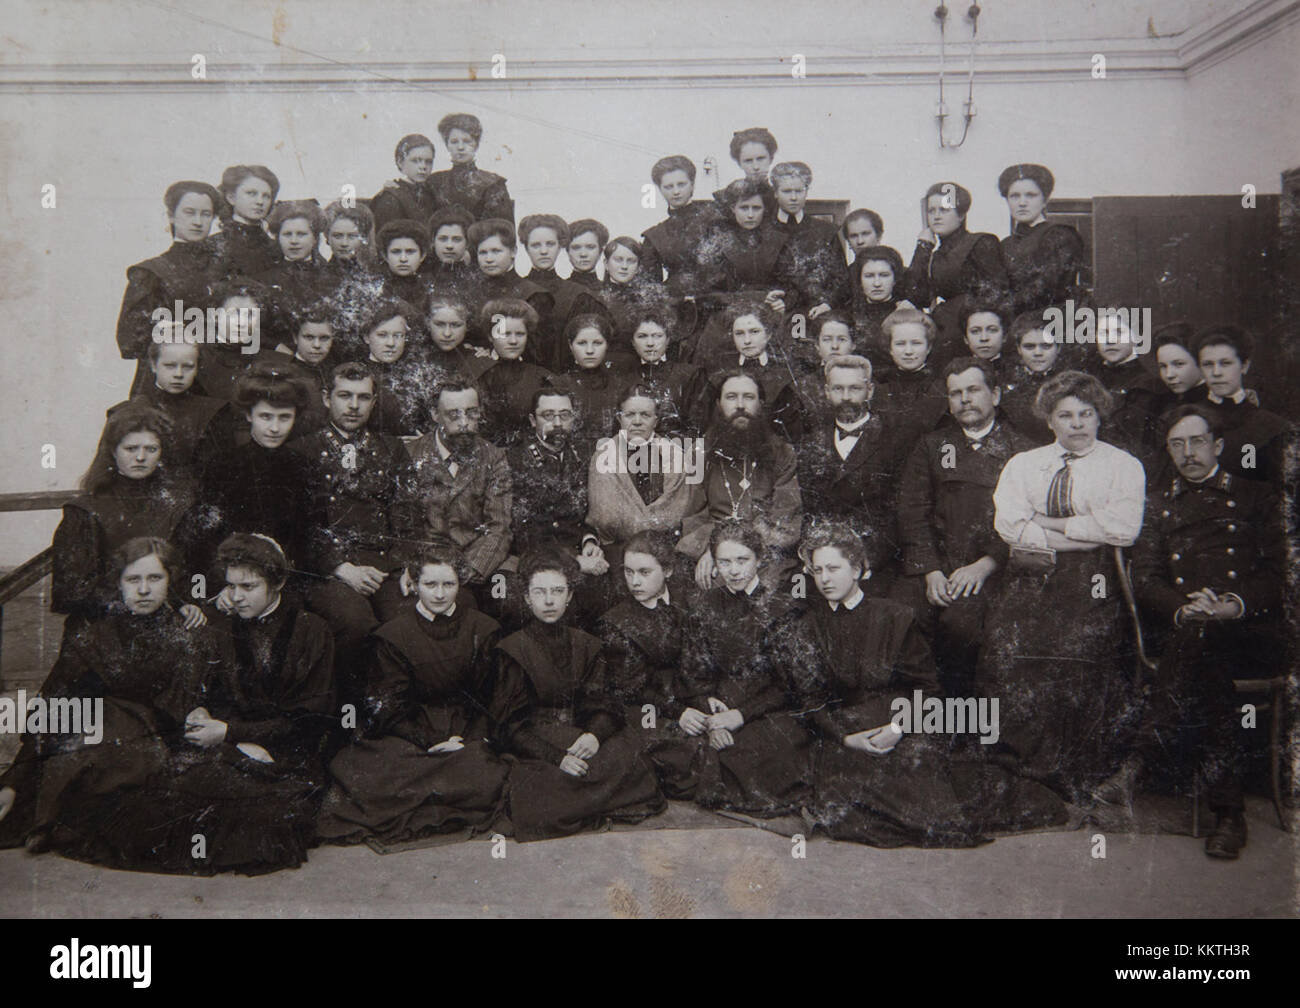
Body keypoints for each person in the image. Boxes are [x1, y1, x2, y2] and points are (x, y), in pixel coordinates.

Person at [776, 523, 1065, 847]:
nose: (825, 579)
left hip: (900, 724)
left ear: (857, 569)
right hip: (846, 736)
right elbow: (810, 700)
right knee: (844, 790)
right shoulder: (807, 626)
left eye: (833, 568)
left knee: (926, 789)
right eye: (817, 570)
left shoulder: (895, 617)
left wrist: (897, 729)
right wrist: (847, 738)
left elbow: (928, 691)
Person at [979, 370, 1145, 803]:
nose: (1077, 424)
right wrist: (1078, 531)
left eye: (1085, 414)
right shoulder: (1024, 464)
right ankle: (1020, 761)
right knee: (1008, 646)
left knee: (1077, 650)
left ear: (1099, 417)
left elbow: (1122, 530)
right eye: (1065, 415)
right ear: (1049, 421)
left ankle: (1072, 767)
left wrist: (1047, 525)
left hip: (1093, 576)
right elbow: (1010, 526)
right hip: (1030, 573)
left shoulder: (1122, 466)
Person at [0, 538, 217, 863]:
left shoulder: (187, 632)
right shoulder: (92, 631)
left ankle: (58, 821)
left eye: (155, 578)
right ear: (119, 583)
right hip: (88, 742)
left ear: (170, 581)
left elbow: (178, 709)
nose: (144, 589)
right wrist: (15, 779)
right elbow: (55, 704)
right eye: (133, 579)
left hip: (151, 747)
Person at [1130, 405, 1284, 858]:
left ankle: (1144, 749)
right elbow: (1146, 577)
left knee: (1204, 644)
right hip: (1192, 630)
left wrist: (1232, 604)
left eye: (1196, 442)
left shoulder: (1258, 497)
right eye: (1176, 445)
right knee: (1203, 648)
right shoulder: (1158, 504)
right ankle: (1229, 815)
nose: (1187, 453)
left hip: (1250, 631)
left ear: (1217, 446)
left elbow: (1280, 573)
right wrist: (1183, 609)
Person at [164, 533, 336, 875]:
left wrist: (233, 733)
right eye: (231, 586)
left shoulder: (310, 631)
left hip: (287, 751)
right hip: (230, 747)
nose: (237, 597)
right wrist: (199, 711)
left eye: (249, 586)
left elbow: (310, 719)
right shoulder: (220, 627)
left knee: (264, 815)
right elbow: (206, 693)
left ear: (278, 582)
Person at [316, 546, 509, 845]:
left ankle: (444, 784)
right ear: (414, 584)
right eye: (430, 585)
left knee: (487, 768)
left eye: (449, 584)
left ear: (460, 584)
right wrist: (431, 742)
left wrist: (468, 740)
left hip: (465, 730)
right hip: (411, 731)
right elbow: (390, 708)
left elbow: (490, 698)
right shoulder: (392, 635)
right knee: (364, 771)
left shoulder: (483, 629)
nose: (440, 594)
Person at [490, 550, 664, 841]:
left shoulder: (587, 644)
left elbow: (603, 702)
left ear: (569, 596)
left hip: (579, 733)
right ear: (527, 598)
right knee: (543, 782)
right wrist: (557, 758)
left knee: (628, 754)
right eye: (540, 592)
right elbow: (510, 726)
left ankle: (577, 799)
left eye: (557, 591)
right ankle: (584, 799)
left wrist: (594, 735)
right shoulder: (512, 649)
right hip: (539, 738)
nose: (549, 601)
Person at [892, 358, 1035, 695]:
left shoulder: (1022, 451)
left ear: (996, 395)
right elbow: (912, 511)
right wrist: (929, 571)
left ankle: (961, 716)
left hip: (993, 568)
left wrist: (986, 565)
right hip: (936, 564)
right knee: (901, 614)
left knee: (962, 624)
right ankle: (916, 710)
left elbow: (1027, 520)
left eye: (973, 390)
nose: (965, 399)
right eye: (956, 393)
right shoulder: (932, 445)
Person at [654, 520, 813, 815]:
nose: (734, 570)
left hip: (763, 710)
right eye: (724, 562)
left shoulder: (782, 608)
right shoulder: (702, 605)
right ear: (714, 563)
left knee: (768, 752)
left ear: (759, 559)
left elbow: (789, 685)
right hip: (716, 709)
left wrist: (739, 715)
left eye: (742, 560)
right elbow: (692, 672)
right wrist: (710, 714)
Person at [293, 362, 417, 706]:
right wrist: (340, 568)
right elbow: (300, 527)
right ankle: (349, 709)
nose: (353, 405)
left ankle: (393, 711)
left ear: (374, 402)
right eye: (344, 395)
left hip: (382, 565)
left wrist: (406, 566)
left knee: (407, 621)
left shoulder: (391, 450)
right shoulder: (301, 451)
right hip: (328, 570)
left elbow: (406, 514)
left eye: (363, 397)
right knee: (355, 622)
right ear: (325, 398)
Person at [53, 403, 198, 628]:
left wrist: (191, 602)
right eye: (131, 449)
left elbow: (195, 572)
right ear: (113, 451)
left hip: (165, 622)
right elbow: (69, 592)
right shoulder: (85, 510)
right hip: (104, 623)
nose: (140, 457)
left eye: (151, 449)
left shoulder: (179, 504)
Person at [186, 362, 320, 578]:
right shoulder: (221, 466)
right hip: (231, 578)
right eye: (265, 416)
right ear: (249, 415)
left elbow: (309, 539)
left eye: (284, 417)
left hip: (286, 577)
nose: (275, 428)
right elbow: (205, 539)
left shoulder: (305, 468)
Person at [678, 372, 803, 590]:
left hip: (765, 550)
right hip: (712, 549)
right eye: (731, 397)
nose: (740, 405)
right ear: (718, 404)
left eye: (748, 397)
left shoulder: (782, 453)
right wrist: (714, 548)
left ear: (760, 404)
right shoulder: (700, 452)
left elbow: (785, 517)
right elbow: (693, 515)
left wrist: (736, 548)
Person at [796, 354, 912, 589]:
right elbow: (809, 509)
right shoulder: (811, 441)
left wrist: (867, 557)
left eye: (855, 388)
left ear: (869, 391)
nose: (846, 397)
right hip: (824, 557)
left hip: (874, 559)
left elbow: (899, 511)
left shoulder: (896, 440)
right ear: (827, 392)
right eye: (838, 389)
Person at [506, 387, 610, 625]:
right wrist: (573, 561)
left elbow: (585, 515)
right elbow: (523, 531)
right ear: (533, 420)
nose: (557, 423)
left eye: (564, 415)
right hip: (533, 557)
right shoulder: (515, 461)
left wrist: (589, 542)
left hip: (576, 553)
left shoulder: (582, 456)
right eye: (548, 416)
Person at [404, 380, 513, 593]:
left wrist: (463, 573)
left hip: (473, 566)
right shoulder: (410, 454)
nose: (464, 423)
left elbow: (499, 527)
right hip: (425, 568)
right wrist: (423, 572)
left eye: (472, 413)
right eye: (453, 415)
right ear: (435, 414)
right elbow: (403, 527)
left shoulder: (494, 457)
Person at [595, 532, 688, 779]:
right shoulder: (617, 620)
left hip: (688, 693)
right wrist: (680, 711)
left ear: (667, 571)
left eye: (644, 572)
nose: (634, 582)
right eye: (628, 572)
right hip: (645, 704)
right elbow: (632, 687)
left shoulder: (687, 602)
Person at [116, 180, 221, 395]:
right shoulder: (151, 272)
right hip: (165, 384)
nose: (198, 221)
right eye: (189, 213)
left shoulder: (224, 271)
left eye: (206, 214)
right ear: (172, 215)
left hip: (214, 384)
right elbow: (128, 341)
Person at [904, 181, 1009, 366]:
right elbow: (916, 296)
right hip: (942, 332)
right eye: (931, 211)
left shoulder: (980, 243)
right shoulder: (934, 254)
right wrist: (923, 248)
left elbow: (996, 295)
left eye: (944, 210)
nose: (936, 216)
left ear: (961, 215)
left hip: (970, 334)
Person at [586, 385, 696, 557]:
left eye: (645, 415)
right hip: (616, 550)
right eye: (630, 415)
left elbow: (678, 512)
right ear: (619, 418)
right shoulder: (603, 456)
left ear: (656, 420)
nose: (637, 421)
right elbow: (604, 518)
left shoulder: (674, 455)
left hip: (665, 549)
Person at [102, 337, 232, 477]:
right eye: (170, 365)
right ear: (153, 365)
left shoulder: (213, 411)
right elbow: (103, 473)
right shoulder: (123, 412)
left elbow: (220, 475)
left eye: (188, 367)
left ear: (197, 368)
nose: (178, 374)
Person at [1193, 326, 1288, 487]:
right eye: (1208, 364)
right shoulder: (1188, 419)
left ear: (1244, 366)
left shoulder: (1273, 426)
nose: (1216, 372)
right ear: (1201, 370)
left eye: (1226, 363)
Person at [518, 214, 610, 371]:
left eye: (550, 244)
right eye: (535, 245)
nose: (544, 251)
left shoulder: (578, 294)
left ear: (560, 246)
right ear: (526, 248)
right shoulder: (517, 290)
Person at [997, 163, 1084, 317]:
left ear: (1045, 200)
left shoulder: (1060, 235)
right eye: (1014, 196)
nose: (1022, 203)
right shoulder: (1005, 245)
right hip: (1012, 323)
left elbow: (1048, 288)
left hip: (1051, 321)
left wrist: (1002, 307)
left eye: (1031, 195)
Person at [463, 218, 556, 363]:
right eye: (483, 253)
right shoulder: (471, 293)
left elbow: (540, 354)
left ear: (513, 252)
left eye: (496, 251)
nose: (488, 259)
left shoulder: (534, 295)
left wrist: (494, 352)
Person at [768, 161, 849, 317]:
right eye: (786, 191)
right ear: (776, 193)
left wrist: (827, 304)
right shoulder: (765, 230)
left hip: (816, 313)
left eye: (799, 191)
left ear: (806, 191)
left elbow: (840, 277)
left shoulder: (825, 231)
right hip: (775, 314)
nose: (793, 197)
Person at [639, 155, 719, 303]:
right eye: (668, 187)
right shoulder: (655, 236)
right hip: (680, 307)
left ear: (692, 184)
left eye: (681, 184)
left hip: (720, 302)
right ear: (660, 189)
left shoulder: (715, 216)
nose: (676, 192)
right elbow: (651, 288)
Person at [473, 298, 554, 442]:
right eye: (505, 334)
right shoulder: (476, 375)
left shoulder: (542, 378)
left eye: (520, 334)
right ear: (490, 336)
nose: (513, 341)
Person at [624, 306, 708, 436]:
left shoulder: (689, 376)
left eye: (657, 336)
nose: (650, 343)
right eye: (642, 336)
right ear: (633, 342)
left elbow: (697, 428)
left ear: (668, 340)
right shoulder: (624, 377)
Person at [356, 297, 430, 438]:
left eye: (398, 335)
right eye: (382, 335)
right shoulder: (358, 375)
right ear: (366, 337)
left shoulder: (414, 375)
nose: (391, 343)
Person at [262, 200, 329, 353]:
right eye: (287, 234)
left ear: (314, 238)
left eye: (301, 234)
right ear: (278, 237)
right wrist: (276, 346)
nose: (293, 241)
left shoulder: (330, 277)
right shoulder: (264, 280)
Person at [873, 307, 948, 437]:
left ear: (928, 347)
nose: (908, 351)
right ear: (890, 348)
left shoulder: (940, 385)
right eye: (900, 344)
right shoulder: (879, 384)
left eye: (916, 343)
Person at [428, 113, 515, 223]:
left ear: (476, 144)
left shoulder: (493, 184)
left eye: (467, 141)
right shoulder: (434, 182)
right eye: (454, 142)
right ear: (447, 145)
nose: (460, 147)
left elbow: (503, 229)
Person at [554, 313, 624, 444]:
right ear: (570, 345)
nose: (590, 350)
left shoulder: (619, 385)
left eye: (597, 343)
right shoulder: (558, 385)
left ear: (607, 345)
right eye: (581, 343)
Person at [596, 235, 669, 358]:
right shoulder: (594, 297)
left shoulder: (645, 300)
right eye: (618, 260)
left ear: (638, 268)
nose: (624, 266)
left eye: (631, 261)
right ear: (606, 264)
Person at [205, 165, 280, 282]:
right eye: (251, 193)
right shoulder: (212, 246)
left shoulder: (277, 248)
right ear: (231, 198)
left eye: (266, 196)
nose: (260, 201)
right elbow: (180, 299)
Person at [997, 310, 1062, 444]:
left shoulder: (1069, 383)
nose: (1038, 353)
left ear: (1058, 348)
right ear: (1019, 349)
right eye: (1029, 347)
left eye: (1046, 346)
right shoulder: (1005, 386)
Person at [849, 245, 908, 369]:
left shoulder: (905, 313)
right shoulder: (850, 315)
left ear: (895, 279)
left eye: (884, 275)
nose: (877, 283)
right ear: (860, 280)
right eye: (869, 276)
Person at [370, 133, 440, 231]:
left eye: (428, 161)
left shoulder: (430, 194)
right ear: (400, 162)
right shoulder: (390, 198)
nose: (423, 167)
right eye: (415, 161)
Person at [376, 219, 432, 315]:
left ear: (422, 256)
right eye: (396, 252)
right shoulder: (376, 288)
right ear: (385, 255)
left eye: (410, 252)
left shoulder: (430, 288)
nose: (403, 259)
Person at [958, 301, 1013, 386]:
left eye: (992, 330)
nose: (984, 338)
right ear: (966, 338)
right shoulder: (956, 375)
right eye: (975, 331)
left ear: (1004, 336)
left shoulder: (1017, 371)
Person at [564, 218, 608, 290]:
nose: (583, 254)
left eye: (590, 247)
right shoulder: (557, 292)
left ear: (600, 251)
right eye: (576, 248)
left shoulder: (609, 292)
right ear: (568, 252)